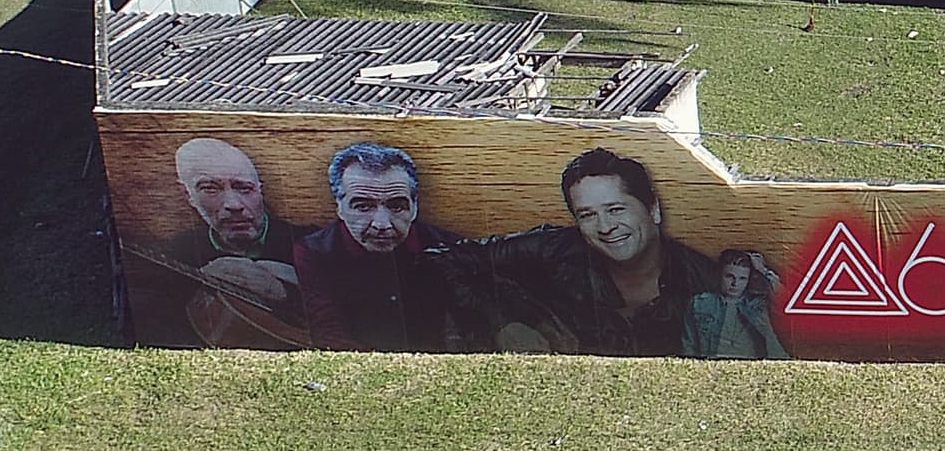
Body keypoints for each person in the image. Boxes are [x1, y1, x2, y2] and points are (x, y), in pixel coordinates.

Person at [434, 148, 781, 357]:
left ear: (653, 209)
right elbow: (449, 260)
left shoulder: (705, 281)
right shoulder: (554, 250)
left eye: (616, 209)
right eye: (587, 214)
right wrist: (506, 321)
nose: (604, 226)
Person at [293, 143, 458, 350]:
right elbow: (327, 330)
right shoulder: (314, 253)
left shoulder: (450, 250)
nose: (382, 224)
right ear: (339, 208)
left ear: (414, 207)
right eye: (363, 207)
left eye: (397, 206)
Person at [142, 137, 304, 348]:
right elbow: (161, 321)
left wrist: (286, 290)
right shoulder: (179, 251)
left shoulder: (308, 243)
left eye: (244, 188)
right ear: (188, 195)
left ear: (259, 191)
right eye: (210, 188)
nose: (233, 205)